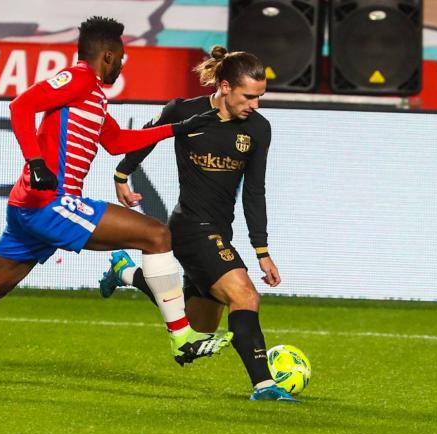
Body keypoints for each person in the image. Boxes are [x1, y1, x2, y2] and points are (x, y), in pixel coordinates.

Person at [0, 16, 231, 391]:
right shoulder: (80, 78)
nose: (122, 65)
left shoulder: (93, 93)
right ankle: (183, 339)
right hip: (51, 204)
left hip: (29, 209)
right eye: (121, 58)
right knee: (155, 234)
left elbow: (116, 141)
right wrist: (36, 162)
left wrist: (179, 128)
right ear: (108, 55)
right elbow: (21, 106)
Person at [99, 46, 296, 402]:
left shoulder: (258, 129)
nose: (255, 104)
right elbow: (148, 135)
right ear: (224, 86)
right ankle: (264, 386)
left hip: (221, 231)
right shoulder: (184, 112)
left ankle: (126, 273)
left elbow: (254, 192)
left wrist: (262, 250)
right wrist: (122, 174)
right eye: (249, 96)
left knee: (198, 326)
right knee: (245, 295)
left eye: (260, 97)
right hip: (190, 227)